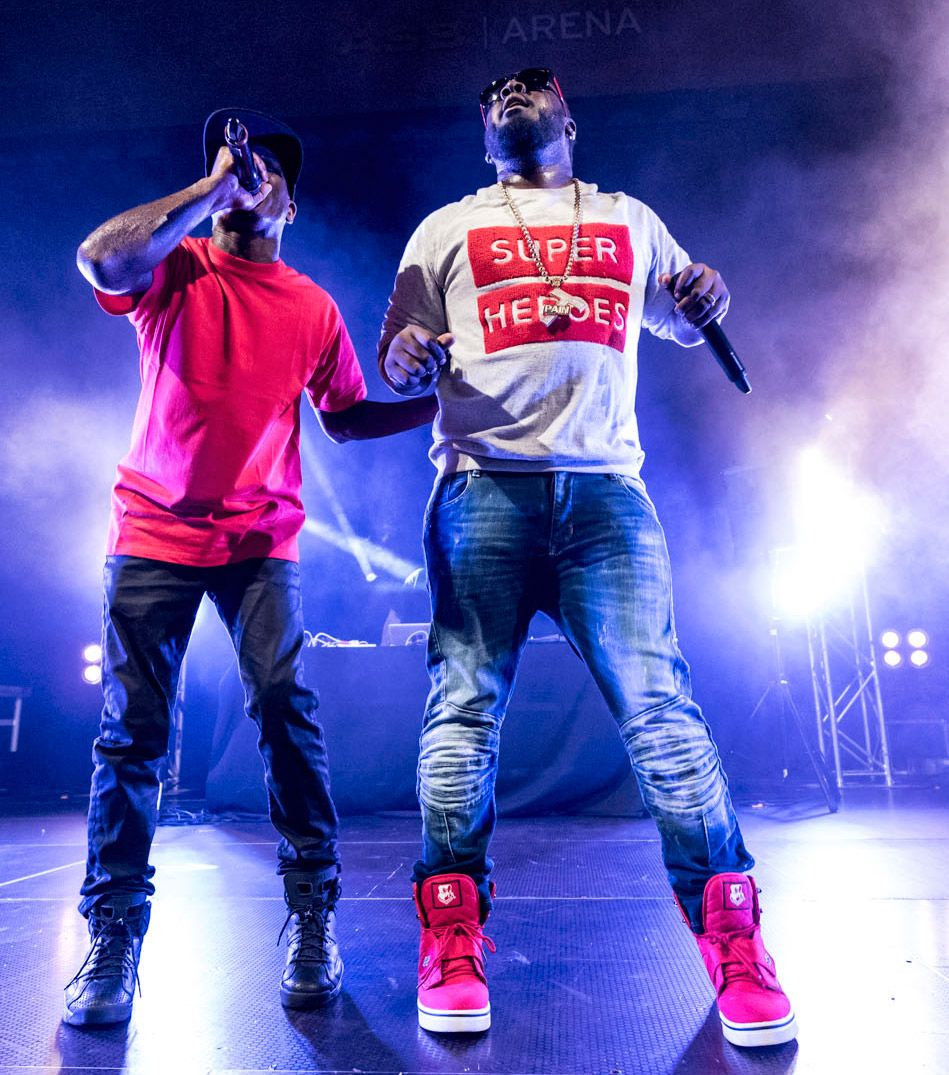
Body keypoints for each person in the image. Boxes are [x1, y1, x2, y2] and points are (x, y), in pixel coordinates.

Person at [377, 69, 797, 1048]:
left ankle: (733, 943)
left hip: (606, 495)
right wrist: (406, 355)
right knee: (463, 712)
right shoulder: (442, 230)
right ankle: (449, 933)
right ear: (487, 132)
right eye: (495, 92)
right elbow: (399, 342)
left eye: (533, 90)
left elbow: (684, 317)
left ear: (566, 121)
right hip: (481, 487)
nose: (513, 93)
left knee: (658, 710)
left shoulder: (630, 219)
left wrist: (707, 293)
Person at [66, 108, 436, 1026]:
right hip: (152, 528)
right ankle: (114, 937)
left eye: (263, 169)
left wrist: (445, 405)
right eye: (234, 164)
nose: (246, 175)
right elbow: (102, 259)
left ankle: (312, 916)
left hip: (259, 539)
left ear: (293, 204)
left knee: (283, 708)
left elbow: (346, 416)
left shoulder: (310, 306)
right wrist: (208, 187)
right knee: (134, 733)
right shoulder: (174, 269)